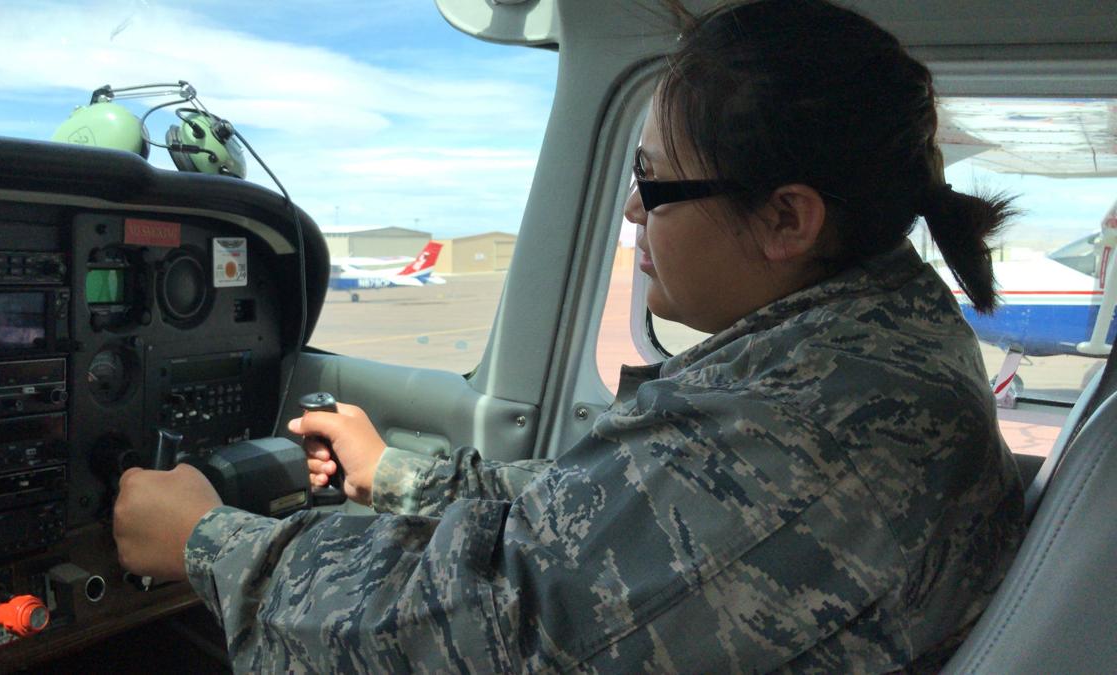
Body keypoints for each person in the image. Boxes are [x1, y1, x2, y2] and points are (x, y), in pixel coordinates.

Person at [114, 0, 1026, 671]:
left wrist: (203, 538)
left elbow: (464, 637)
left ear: (787, 220)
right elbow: (604, 515)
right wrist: (391, 472)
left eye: (655, 180)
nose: (632, 207)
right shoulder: (858, 345)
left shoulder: (813, 433)